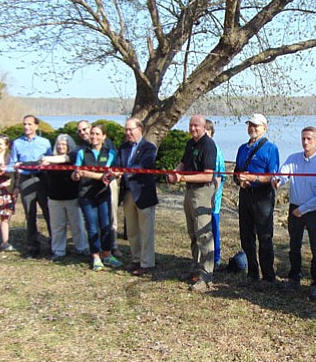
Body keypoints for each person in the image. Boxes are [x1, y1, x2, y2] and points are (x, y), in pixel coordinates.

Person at [272, 126, 316, 301]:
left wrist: (304, 209)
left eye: (309, 139)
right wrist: (277, 181)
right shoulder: (293, 159)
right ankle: (294, 277)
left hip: (312, 211)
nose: (305, 142)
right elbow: (283, 175)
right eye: (303, 138)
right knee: (294, 246)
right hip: (294, 208)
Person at [168, 114, 217, 291]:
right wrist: (176, 172)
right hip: (189, 190)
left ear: (204, 127)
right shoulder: (190, 143)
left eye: (196, 126)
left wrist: (182, 177)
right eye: (191, 126)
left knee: (203, 233)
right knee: (192, 232)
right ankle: (196, 267)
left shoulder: (208, 145)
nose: (193, 129)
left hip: (202, 191)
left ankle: (207, 274)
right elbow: (183, 163)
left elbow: (208, 175)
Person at [234, 113, 280, 289]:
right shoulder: (241, 149)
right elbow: (236, 173)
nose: (252, 128)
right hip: (245, 195)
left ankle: (268, 276)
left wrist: (253, 178)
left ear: (264, 128)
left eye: (256, 125)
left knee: (265, 236)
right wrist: (240, 181)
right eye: (250, 125)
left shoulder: (271, 148)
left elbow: (272, 176)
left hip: (263, 197)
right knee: (246, 235)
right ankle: (252, 273)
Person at [72, 124, 123, 271]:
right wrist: (76, 175)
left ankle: (107, 255)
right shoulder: (82, 153)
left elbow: (108, 174)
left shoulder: (111, 153)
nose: (94, 137)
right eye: (92, 134)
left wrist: (88, 174)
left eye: (97, 134)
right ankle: (95, 256)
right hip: (86, 195)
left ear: (104, 136)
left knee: (106, 226)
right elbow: (76, 173)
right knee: (93, 227)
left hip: (103, 194)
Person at [115, 118, 158, 276]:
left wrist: (124, 171)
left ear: (139, 129)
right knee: (132, 230)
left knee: (146, 230)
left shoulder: (149, 148)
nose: (127, 133)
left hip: (144, 194)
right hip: (127, 193)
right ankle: (136, 259)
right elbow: (118, 164)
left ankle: (147, 263)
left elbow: (144, 166)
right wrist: (112, 172)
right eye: (125, 130)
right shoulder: (124, 147)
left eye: (130, 129)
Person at [9, 114, 52, 259]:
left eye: (29, 124)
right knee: (30, 213)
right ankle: (32, 246)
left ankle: (55, 243)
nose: (27, 127)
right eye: (25, 124)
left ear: (36, 126)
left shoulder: (45, 142)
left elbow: (51, 161)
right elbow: (12, 163)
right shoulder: (17, 143)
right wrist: (12, 168)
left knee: (48, 211)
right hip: (26, 178)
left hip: (42, 178)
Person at [42, 134, 89, 261]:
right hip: (54, 199)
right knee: (57, 227)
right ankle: (58, 250)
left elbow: (64, 158)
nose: (61, 146)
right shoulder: (51, 159)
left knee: (77, 225)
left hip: (72, 198)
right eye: (59, 144)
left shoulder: (74, 156)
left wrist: (48, 159)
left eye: (64, 144)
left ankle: (82, 247)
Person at [205, 119, 226, 266]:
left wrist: (212, 195)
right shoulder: (200, 148)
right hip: (201, 195)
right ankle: (205, 256)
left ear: (211, 133)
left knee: (214, 226)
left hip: (213, 197)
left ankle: (216, 257)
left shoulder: (216, 150)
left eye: (207, 131)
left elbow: (219, 176)